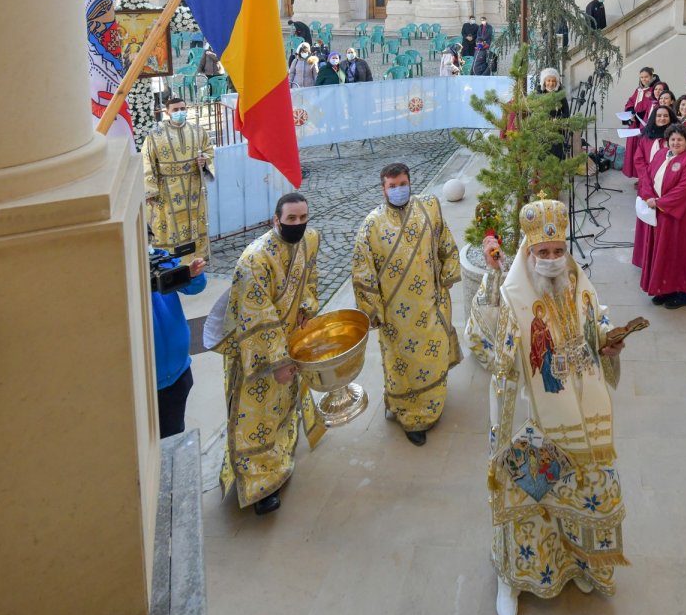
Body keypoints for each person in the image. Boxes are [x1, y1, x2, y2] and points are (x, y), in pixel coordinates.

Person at [466, 199, 629, 615]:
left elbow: (596, 326)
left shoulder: (579, 285)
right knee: (526, 499)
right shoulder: (511, 295)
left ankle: (577, 563)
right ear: (529, 252)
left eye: (558, 251)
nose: (553, 259)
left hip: (578, 414)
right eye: (544, 252)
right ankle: (511, 579)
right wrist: (492, 277)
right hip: (527, 415)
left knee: (576, 489)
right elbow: (481, 342)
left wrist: (609, 343)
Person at [211, 193, 325, 516]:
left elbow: (310, 279)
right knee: (255, 416)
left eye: (303, 218)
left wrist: (306, 308)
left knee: (282, 406)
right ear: (276, 220)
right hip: (256, 352)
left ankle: (279, 459)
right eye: (291, 219)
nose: (298, 224)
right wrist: (278, 361)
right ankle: (259, 485)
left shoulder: (310, 240)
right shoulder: (255, 259)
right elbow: (256, 316)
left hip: (289, 341)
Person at [351, 163, 462, 446]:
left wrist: (449, 273)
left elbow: (445, 240)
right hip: (395, 315)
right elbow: (362, 272)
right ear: (383, 189)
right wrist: (371, 311)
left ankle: (432, 404)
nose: (398, 189)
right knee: (402, 367)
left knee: (433, 357)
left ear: (410, 183)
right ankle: (411, 416)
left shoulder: (428, 208)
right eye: (392, 186)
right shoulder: (371, 225)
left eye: (403, 184)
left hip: (431, 303)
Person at [143, 96, 215, 260]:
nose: (180, 112)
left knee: (194, 220)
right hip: (167, 188)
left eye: (182, 109)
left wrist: (204, 160)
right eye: (175, 110)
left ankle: (197, 257)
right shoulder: (155, 135)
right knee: (171, 224)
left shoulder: (198, 131)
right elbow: (147, 161)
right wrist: (150, 190)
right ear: (167, 112)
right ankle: (173, 260)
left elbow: (209, 151)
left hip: (193, 186)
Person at [641, 124, 686, 309]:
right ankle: (664, 289)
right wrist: (648, 195)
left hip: (682, 217)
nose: (676, 143)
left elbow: (684, 190)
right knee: (663, 252)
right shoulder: (661, 154)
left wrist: (659, 202)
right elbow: (647, 176)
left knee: (680, 252)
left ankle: (683, 293)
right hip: (661, 213)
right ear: (667, 141)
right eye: (672, 139)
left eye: (680, 140)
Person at [151, 250, 207, 438]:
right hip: (146, 384)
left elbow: (194, 287)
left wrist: (193, 274)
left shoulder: (159, 258)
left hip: (179, 372)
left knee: (174, 433)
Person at [631, 103, 676, 269]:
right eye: (659, 116)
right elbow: (639, 160)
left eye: (665, 116)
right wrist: (647, 182)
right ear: (653, 118)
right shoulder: (646, 137)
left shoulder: (674, 138)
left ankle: (662, 262)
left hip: (666, 186)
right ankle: (646, 259)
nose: (662, 118)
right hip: (647, 184)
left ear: (671, 119)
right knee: (647, 223)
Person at [622, 67, 658, 179]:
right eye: (641, 77)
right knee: (634, 152)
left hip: (645, 125)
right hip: (635, 124)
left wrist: (639, 116)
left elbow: (652, 107)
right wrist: (630, 111)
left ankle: (645, 178)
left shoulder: (655, 89)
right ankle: (639, 177)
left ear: (651, 76)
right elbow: (631, 101)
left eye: (646, 77)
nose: (644, 79)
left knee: (643, 153)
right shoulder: (638, 90)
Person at [537, 67, 570, 160]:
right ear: (544, 81)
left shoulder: (560, 95)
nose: (551, 83)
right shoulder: (538, 95)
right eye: (549, 80)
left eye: (553, 81)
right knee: (542, 157)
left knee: (556, 157)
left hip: (556, 131)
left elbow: (567, 113)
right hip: (542, 131)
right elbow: (533, 112)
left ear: (557, 82)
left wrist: (558, 119)